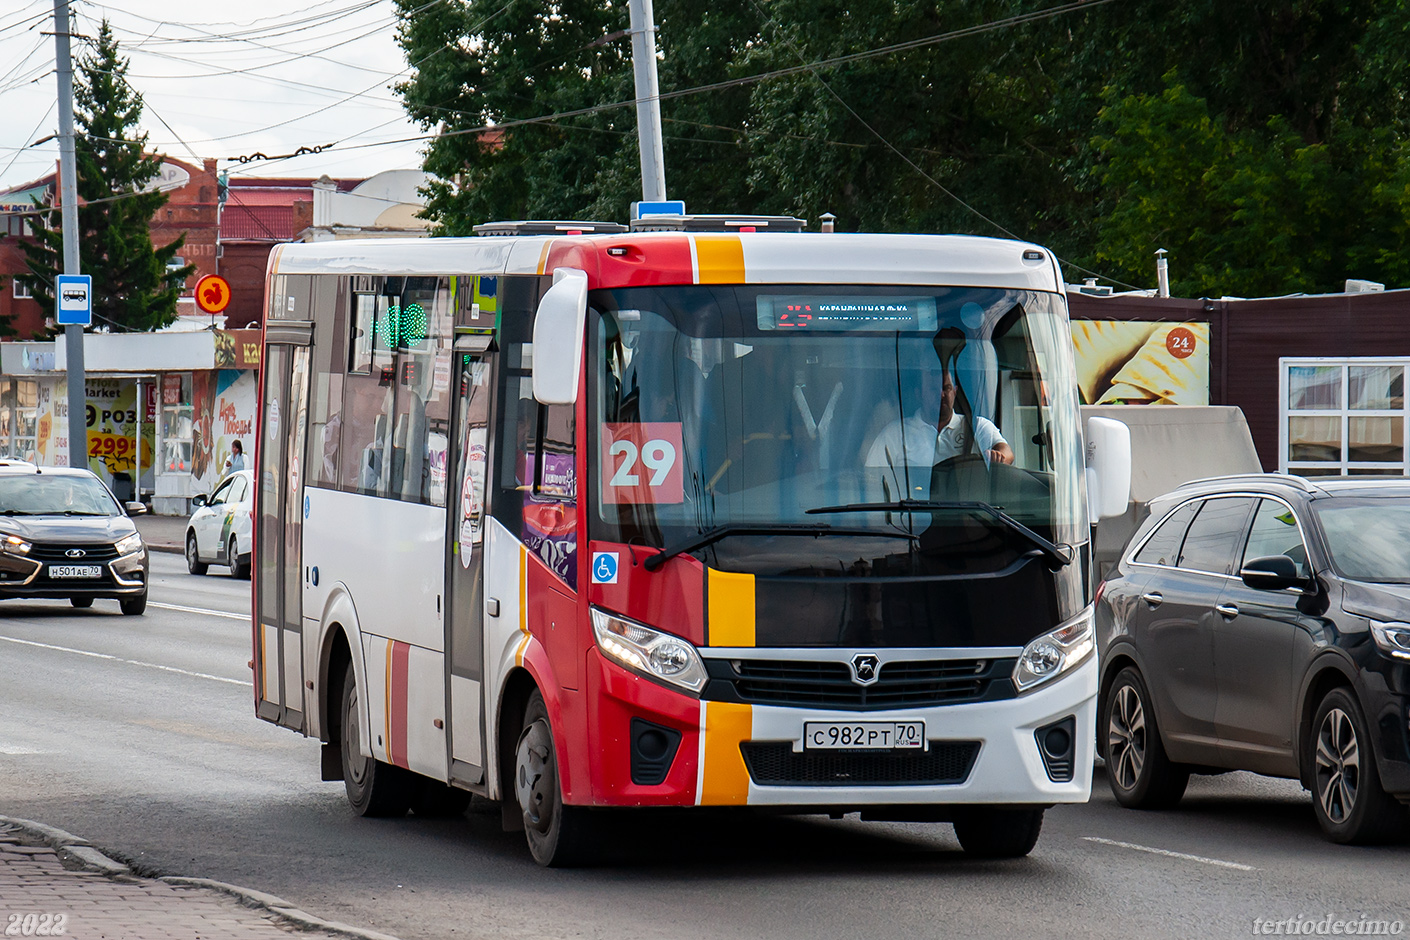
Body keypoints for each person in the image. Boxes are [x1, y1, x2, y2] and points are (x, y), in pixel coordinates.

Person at [865, 368, 1014, 472]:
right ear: (919, 394)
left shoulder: (976, 426)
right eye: (933, 389)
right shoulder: (895, 434)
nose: (941, 395)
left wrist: (997, 458)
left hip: (966, 514)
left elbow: (1007, 453)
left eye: (946, 388)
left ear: (954, 392)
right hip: (910, 514)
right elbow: (872, 478)